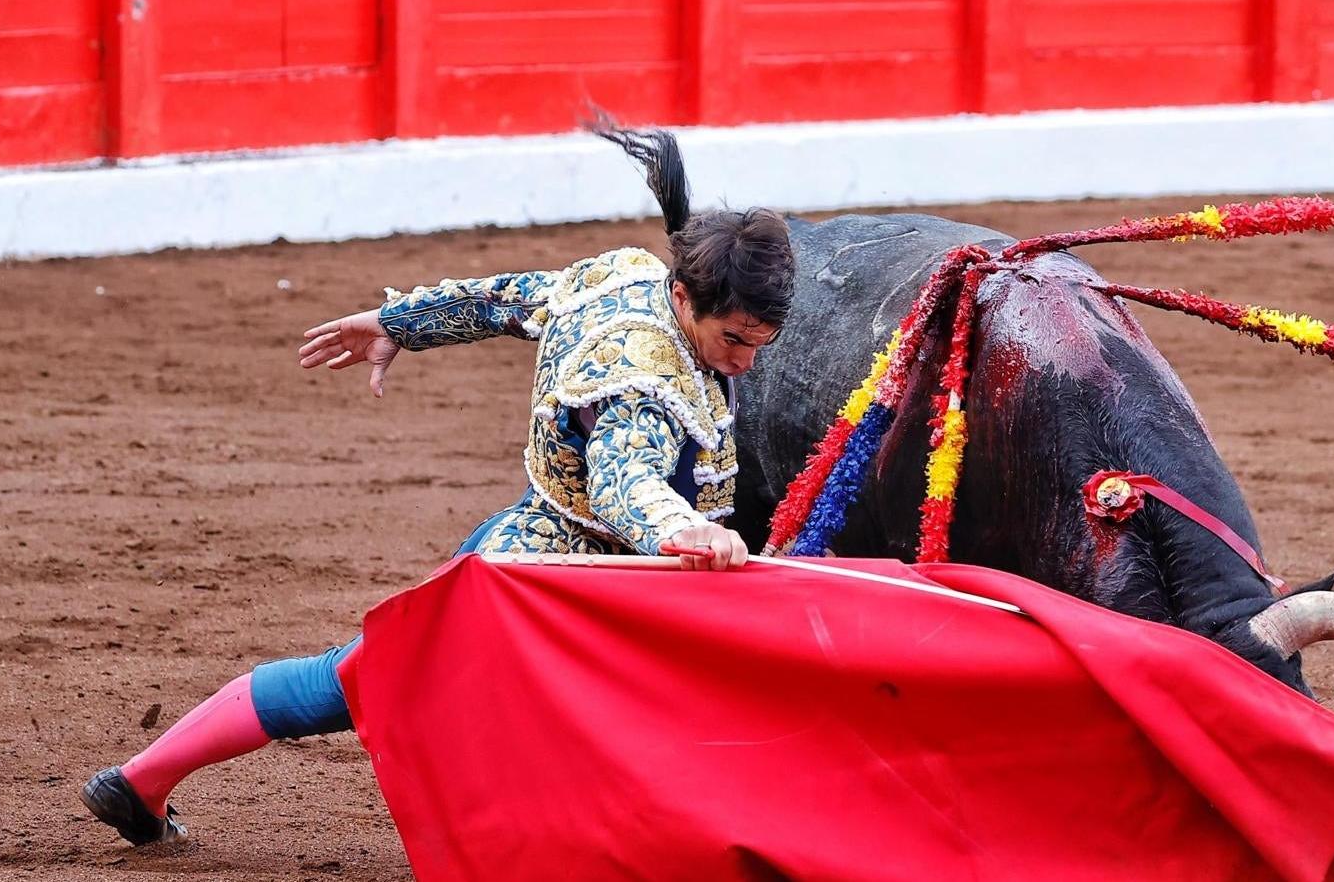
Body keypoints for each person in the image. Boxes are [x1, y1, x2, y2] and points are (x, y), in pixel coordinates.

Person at [81, 121, 797, 845]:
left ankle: (140, 781)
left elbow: (509, 298)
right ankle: (140, 780)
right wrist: (683, 529)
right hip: (549, 583)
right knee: (348, 686)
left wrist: (402, 322)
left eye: (757, 345)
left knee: (359, 681)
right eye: (732, 340)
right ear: (682, 296)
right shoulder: (641, 379)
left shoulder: (620, 277)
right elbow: (622, 481)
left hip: (554, 567)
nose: (741, 362)